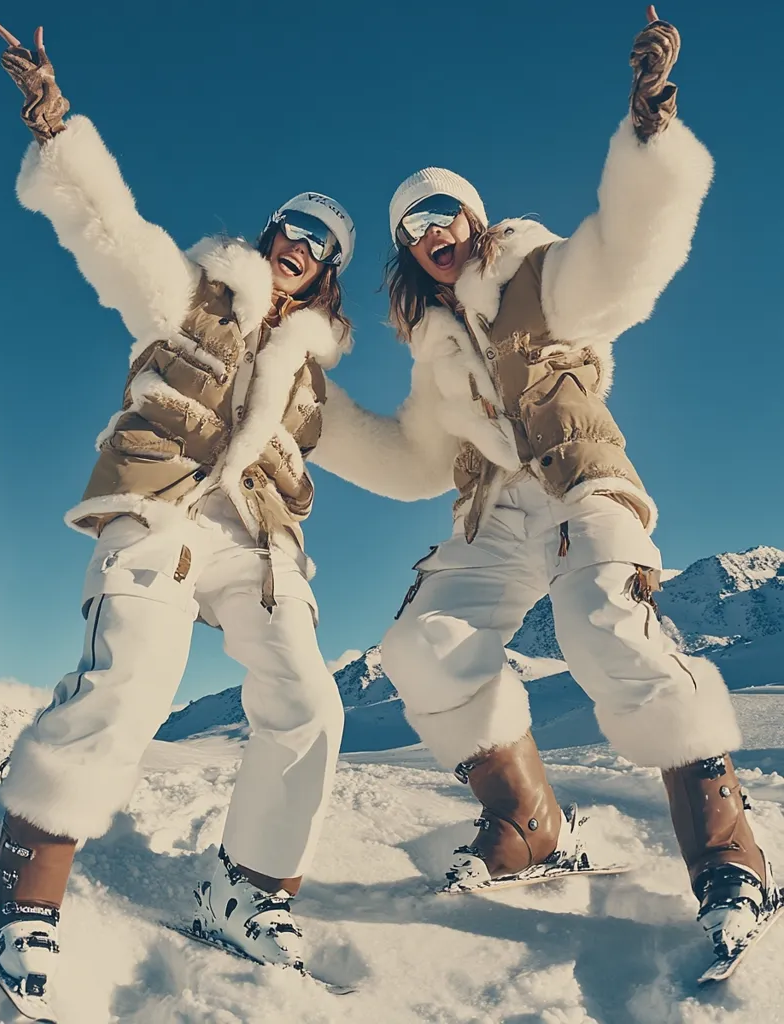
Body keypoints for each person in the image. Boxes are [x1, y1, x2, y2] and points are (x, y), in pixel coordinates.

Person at [312, 7, 778, 958]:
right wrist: (302, 410)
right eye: (411, 228)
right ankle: (531, 825)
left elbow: (628, 261)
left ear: (473, 216)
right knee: (421, 644)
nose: (429, 231)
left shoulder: (536, 271)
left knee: (607, 625)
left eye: (441, 211)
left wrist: (650, 131)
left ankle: (731, 857)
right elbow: (408, 461)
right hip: (491, 512)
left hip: (579, 486)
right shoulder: (435, 351)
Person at [0, 21, 356, 1002]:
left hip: (256, 541)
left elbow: (405, 456)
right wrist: (55, 125)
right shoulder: (187, 296)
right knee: (135, 676)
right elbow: (111, 225)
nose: (295, 245)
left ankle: (245, 890)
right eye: (289, 227)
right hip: (162, 508)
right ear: (266, 237)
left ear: (326, 275)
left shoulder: (312, 385)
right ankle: (19, 892)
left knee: (310, 700)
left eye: (318, 244)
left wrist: (479, 422)